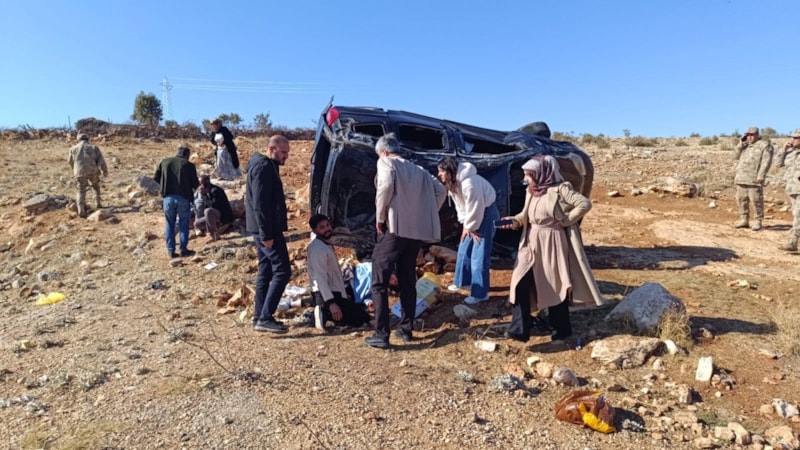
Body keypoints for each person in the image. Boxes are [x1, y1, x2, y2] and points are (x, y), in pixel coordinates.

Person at [498, 155, 604, 342]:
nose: (525, 178)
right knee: (519, 282)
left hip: (552, 241)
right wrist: (514, 221)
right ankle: (519, 329)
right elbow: (525, 216)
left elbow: (584, 203)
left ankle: (561, 329)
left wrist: (565, 220)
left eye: (529, 174)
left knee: (554, 284)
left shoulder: (561, 189)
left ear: (542, 173)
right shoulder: (531, 191)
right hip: (531, 241)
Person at [365, 133, 446, 349]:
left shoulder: (386, 162)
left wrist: (381, 218)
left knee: (379, 281)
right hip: (414, 234)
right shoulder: (418, 170)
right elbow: (441, 191)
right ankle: (405, 329)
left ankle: (381, 334)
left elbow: (384, 187)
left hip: (393, 229)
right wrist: (423, 213)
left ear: (383, 151)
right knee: (408, 280)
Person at [437, 157, 499, 304]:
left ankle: (480, 293)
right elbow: (460, 206)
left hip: (486, 214)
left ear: (449, 171)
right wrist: (465, 225)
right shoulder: (453, 183)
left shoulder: (470, 183)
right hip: (473, 217)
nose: (439, 174)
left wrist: (472, 228)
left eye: (441, 171)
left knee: (479, 254)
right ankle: (462, 282)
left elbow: (476, 207)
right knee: (464, 247)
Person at [246, 135, 291, 333]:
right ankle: (266, 316)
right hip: (267, 230)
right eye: (283, 153)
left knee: (265, 271)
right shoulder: (263, 167)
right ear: (272, 149)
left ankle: (259, 317)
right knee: (283, 270)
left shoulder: (266, 165)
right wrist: (266, 235)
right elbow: (260, 204)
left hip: (264, 229)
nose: (286, 157)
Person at [307, 214, 372, 330]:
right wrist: (331, 303)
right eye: (322, 227)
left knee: (362, 315)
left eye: (327, 225)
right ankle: (324, 312)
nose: (327, 229)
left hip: (334, 292)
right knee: (360, 318)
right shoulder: (318, 248)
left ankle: (324, 314)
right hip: (326, 294)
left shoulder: (325, 243)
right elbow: (320, 278)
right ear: (315, 230)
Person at [154, 145, 199, 258]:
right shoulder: (189, 165)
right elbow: (195, 184)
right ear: (187, 155)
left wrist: (165, 184)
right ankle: (183, 250)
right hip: (183, 198)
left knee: (170, 224)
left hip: (167, 198)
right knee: (184, 224)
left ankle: (170, 251)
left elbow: (156, 177)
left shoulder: (165, 162)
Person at [733, 126, 774, 231]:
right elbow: (735, 156)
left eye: (752, 135)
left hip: (754, 178)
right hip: (741, 177)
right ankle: (744, 219)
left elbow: (766, 162)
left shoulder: (764, 145)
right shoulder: (745, 146)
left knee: (756, 200)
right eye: (748, 135)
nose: (750, 137)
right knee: (741, 199)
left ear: (757, 134)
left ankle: (757, 221)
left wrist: (761, 175)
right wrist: (740, 145)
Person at [68, 133, 108, 218]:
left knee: (80, 190)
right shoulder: (94, 148)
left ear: (78, 139)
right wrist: (105, 171)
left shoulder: (73, 149)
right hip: (92, 170)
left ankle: (81, 209)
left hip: (79, 172)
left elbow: (70, 161)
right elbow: (101, 160)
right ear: (88, 139)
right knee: (95, 186)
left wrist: (75, 169)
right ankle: (98, 204)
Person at [775, 128, 800, 251]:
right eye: (792, 137)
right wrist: (783, 151)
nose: (793, 140)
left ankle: (793, 241)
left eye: (796, 138)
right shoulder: (791, 153)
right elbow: (778, 165)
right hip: (792, 189)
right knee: (796, 214)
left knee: (798, 215)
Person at [193, 174, 234, 241]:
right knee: (197, 224)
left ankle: (213, 233)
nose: (201, 186)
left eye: (202, 183)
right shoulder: (205, 191)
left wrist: (204, 195)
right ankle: (212, 227)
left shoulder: (216, 191)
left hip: (222, 215)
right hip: (211, 216)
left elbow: (213, 206)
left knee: (208, 211)